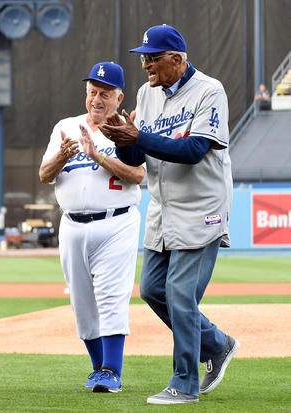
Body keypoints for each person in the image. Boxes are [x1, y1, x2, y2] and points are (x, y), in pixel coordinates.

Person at [99, 24, 239, 404]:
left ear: (177, 60)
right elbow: (136, 155)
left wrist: (138, 137)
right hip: (163, 208)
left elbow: (194, 150)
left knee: (179, 294)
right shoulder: (147, 94)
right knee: (153, 290)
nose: (145, 65)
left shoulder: (209, 91)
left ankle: (184, 383)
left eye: (152, 58)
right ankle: (217, 344)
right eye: (143, 57)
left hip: (201, 208)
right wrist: (123, 139)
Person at [39, 62, 144, 393]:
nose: (97, 100)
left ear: (119, 96)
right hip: (71, 224)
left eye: (105, 94)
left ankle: (112, 370)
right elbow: (45, 174)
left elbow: (139, 175)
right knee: (82, 304)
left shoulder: (127, 129)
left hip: (117, 221)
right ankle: (98, 367)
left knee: (112, 297)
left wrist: (97, 156)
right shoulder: (65, 127)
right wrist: (64, 156)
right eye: (92, 92)